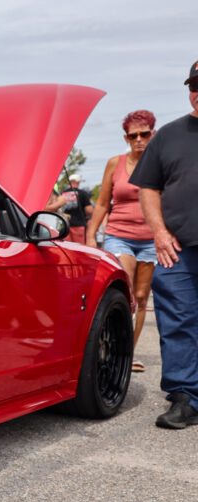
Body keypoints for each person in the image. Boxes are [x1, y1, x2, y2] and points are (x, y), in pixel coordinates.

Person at [129, 59, 198, 429]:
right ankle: (185, 397)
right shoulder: (168, 136)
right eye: (194, 85)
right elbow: (149, 188)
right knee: (178, 322)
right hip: (177, 248)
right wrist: (158, 230)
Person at [85, 110, 157, 372]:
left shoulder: (159, 161)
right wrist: (91, 236)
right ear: (126, 138)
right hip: (119, 236)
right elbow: (103, 202)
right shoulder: (115, 163)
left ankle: (128, 353)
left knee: (141, 296)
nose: (139, 139)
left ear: (153, 134)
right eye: (133, 135)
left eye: (144, 133)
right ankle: (111, 348)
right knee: (125, 293)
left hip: (151, 240)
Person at [57, 173, 92, 243]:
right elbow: (89, 210)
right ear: (78, 182)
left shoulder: (63, 193)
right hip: (79, 226)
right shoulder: (83, 193)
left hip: (65, 226)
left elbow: (59, 209)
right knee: (79, 249)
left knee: (67, 249)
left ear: (69, 182)